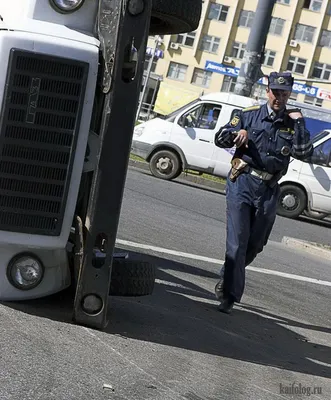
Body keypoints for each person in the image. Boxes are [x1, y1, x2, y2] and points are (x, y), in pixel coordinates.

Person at [214, 71, 313, 314]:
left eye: (284, 93)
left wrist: (299, 122)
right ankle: (229, 295)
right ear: (267, 91)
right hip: (243, 182)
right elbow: (220, 138)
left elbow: (304, 153)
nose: (279, 97)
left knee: (256, 244)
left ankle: (228, 275)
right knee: (237, 242)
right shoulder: (248, 116)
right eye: (275, 92)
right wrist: (237, 135)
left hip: (270, 189)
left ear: (289, 94)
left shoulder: (293, 121)